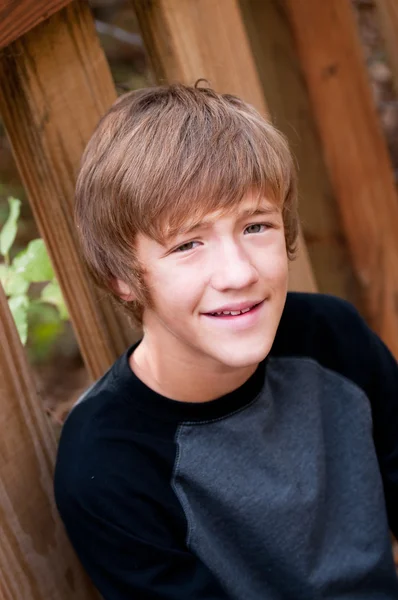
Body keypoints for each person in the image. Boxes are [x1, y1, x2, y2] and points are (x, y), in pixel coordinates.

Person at [54, 83, 398, 599]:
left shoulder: (332, 339)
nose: (237, 273)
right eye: (188, 243)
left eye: (255, 226)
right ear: (122, 277)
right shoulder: (109, 464)